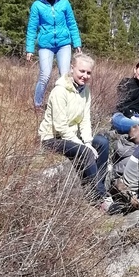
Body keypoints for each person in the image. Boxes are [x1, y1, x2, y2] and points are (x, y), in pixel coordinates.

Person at [39, 52, 110, 205]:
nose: (85, 75)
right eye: (81, 71)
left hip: (71, 136)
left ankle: (99, 186)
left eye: (88, 72)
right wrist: (82, 145)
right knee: (85, 152)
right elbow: (60, 127)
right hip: (52, 138)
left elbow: (85, 119)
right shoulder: (60, 91)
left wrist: (88, 141)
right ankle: (99, 198)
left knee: (102, 143)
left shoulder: (85, 91)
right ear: (72, 69)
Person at [25, 0, 82, 108]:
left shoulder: (65, 3)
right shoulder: (37, 5)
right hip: (46, 45)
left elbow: (72, 24)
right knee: (45, 75)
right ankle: (37, 105)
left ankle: (66, 105)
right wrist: (29, 49)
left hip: (64, 43)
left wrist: (77, 43)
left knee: (65, 76)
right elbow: (32, 28)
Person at [111, 60, 139, 140]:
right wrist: (131, 116)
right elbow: (121, 104)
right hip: (121, 115)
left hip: (136, 116)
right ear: (135, 69)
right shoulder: (126, 82)